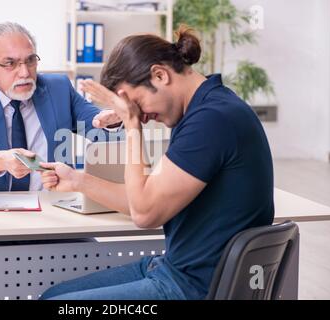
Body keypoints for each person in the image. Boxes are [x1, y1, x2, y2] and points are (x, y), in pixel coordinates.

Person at [38, 25, 275, 300]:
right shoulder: (202, 111)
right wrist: (77, 180)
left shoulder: (211, 121)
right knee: (53, 295)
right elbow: (147, 198)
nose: (141, 115)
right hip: (175, 271)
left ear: (160, 75)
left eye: (137, 103)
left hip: (193, 289)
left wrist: (131, 125)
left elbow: (144, 214)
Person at [0, 22, 120, 248]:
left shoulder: (58, 87)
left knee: (95, 257)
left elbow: (94, 121)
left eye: (30, 60)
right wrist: (0, 160)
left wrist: (112, 119)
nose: (24, 72)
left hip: (53, 213)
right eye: (10, 63)